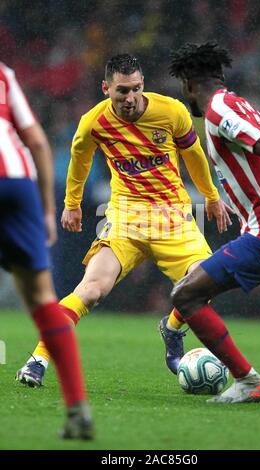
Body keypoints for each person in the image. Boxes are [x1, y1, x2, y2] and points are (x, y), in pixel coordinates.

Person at [16, 53, 231, 386]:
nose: (129, 98)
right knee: (91, 290)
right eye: (121, 91)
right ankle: (37, 361)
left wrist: (213, 198)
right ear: (106, 88)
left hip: (173, 217)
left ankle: (172, 327)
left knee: (207, 284)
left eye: (134, 89)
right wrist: (71, 204)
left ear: (142, 84)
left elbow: (194, 156)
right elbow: (79, 159)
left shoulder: (171, 111)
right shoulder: (94, 122)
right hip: (126, 218)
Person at [166, 41, 260, 403]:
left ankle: (248, 381)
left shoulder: (218, 109)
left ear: (190, 84)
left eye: (183, 88)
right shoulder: (240, 106)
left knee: (187, 294)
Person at [0, 61, 94, 438]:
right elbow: (37, 140)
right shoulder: (4, 73)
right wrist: (47, 210)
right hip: (19, 182)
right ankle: (77, 410)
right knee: (42, 298)